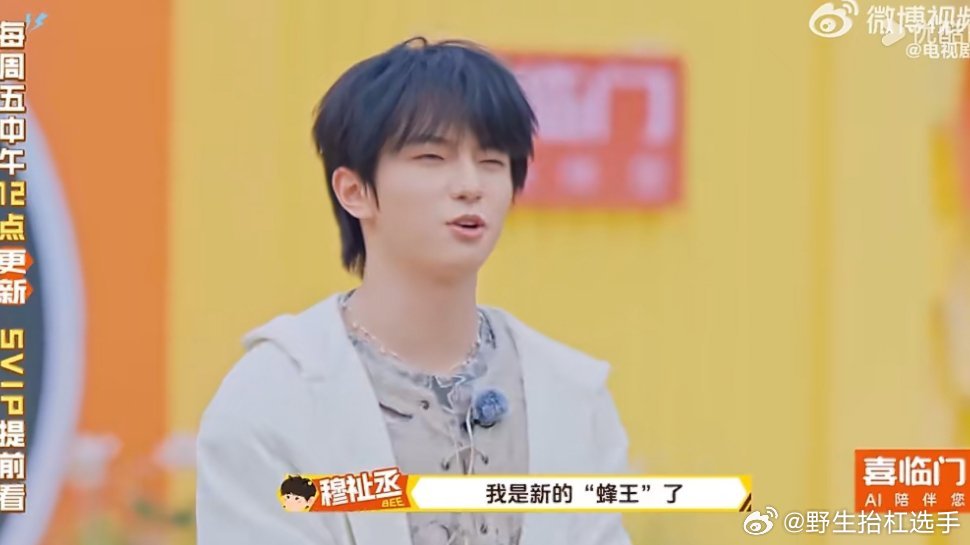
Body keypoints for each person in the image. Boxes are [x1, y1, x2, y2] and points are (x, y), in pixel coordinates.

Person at [196, 36, 633, 545]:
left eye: (492, 161)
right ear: (354, 191)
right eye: (431, 157)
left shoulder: (570, 393)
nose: (470, 185)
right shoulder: (274, 395)